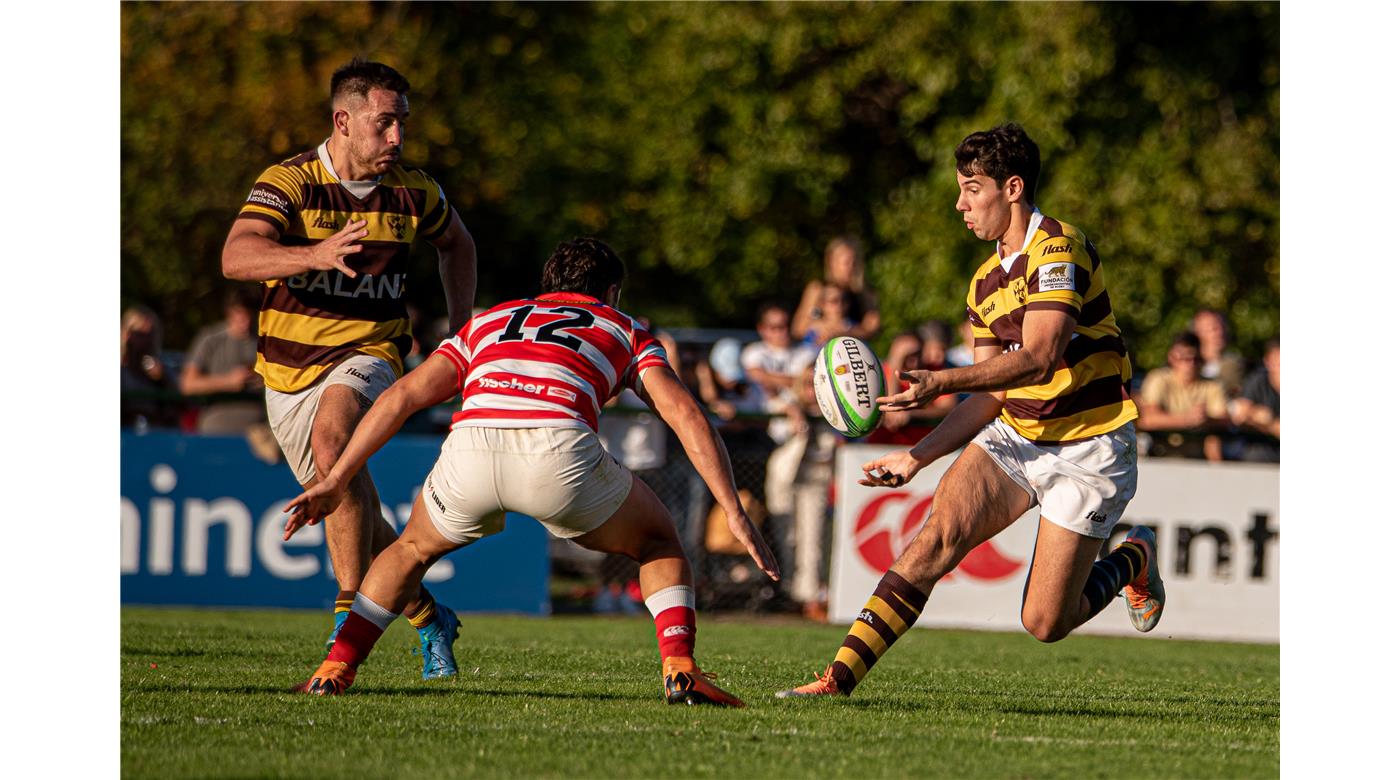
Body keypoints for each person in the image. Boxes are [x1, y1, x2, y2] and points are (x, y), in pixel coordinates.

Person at [282, 238, 778, 706]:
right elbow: (685, 414)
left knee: (409, 549)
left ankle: (335, 669)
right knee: (658, 543)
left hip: (471, 448)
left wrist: (336, 478)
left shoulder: (491, 319)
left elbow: (404, 396)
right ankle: (680, 669)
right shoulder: (622, 326)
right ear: (611, 292)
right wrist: (732, 508)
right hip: (558, 451)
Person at [776, 123, 1164, 699]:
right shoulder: (984, 283)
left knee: (1044, 622)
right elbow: (992, 395)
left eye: (971, 188)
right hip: (1019, 435)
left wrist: (940, 382)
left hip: (1092, 445)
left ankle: (1133, 557)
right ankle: (838, 679)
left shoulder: (1059, 248)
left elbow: (1039, 356)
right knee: (933, 539)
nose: (960, 204)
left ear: (1012, 188)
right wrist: (917, 456)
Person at [220, 58, 477, 679]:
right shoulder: (291, 181)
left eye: (402, 124)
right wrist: (314, 253)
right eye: (384, 123)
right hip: (286, 370)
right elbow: (235, 256)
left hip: (372, 350)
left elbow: (458, 245)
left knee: (333, 443)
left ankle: (345, 619)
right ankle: (423, 614)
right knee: (345, 494)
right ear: (343, 119)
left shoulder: (415, 190)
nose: (397, 137)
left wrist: (462, 330)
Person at [179, 288, 265, 434]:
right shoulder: (210, 339)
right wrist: (228, 382)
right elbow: (187, 384)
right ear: (229, 312)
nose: (246, 322)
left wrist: (262, 380)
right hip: (216, 431)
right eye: (240, 314)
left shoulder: (264, 341)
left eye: (250, 315)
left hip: (258, 433)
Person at [1135, 332, 1231, 461]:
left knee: (1213, 441)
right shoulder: (1158, 379)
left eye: (1195, 359)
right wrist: (1187, 420)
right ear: (1171, 358)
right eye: (1184, 358)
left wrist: (1206, 419)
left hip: (1198, 456)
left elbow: (1225, 420)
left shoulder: (1212, 385)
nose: (1190, 364)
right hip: (1160, 453)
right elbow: (1148, 419)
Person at [791, 237, 881, 343]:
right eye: (846, 262)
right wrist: (820, 327)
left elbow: (872, 328)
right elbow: (798, 329)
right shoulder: (817, 288)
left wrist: (844, 332)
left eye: (854, 262)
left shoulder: (863, 292)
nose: (851, 267)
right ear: (832, 262)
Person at [120, 305, 175, 429]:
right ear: (125, 333)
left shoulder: (163, 371)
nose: (144, 339)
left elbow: (179, 406)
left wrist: (162, 379)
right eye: (138, 331)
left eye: (149, 333)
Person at [1231, 338, 1280, 463]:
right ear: (1267, 362)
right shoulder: (1257, 381)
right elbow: (1240, 414)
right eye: (1278, 363)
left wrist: (1269, 422)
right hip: (1260, 453)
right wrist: (1256, 416)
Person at [1192, 308, 1247, 398]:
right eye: (1213, 328)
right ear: (1197, 333)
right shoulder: (1187, 364)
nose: (1220, 332)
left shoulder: (1236, 365)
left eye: (1222, 327)